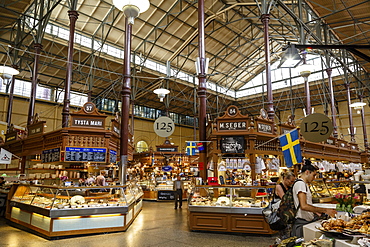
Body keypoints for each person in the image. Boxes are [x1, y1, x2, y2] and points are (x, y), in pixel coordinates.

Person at [291, 160, 336, 238]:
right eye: (314, 175)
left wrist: (315, 212)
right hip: (301, 223)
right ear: (307, 172)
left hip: (305, 222)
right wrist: (325, 210)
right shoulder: (300, 184)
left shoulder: (302, 184)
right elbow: (304, 206)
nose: (314, 178)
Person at [274, 171, 296, 241]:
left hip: (288, 213)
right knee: (283, 233)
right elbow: (284, 199)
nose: (292, 183)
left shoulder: (289, 187)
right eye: (291, 181)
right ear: (285, 179)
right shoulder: (279, 186)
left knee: (288, 233)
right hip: (281, 213)